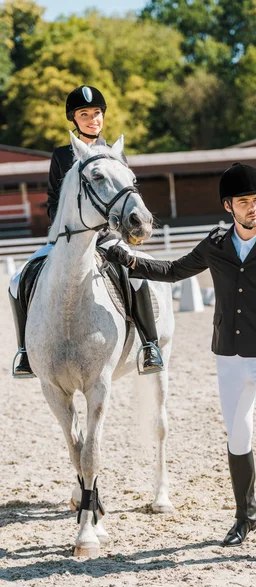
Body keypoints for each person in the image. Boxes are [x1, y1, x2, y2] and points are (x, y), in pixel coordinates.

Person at [105, 162, 256, 564]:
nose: (253, 207)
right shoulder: (217, 244)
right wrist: (128, 259)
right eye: (244, 202)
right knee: (237, 439)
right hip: (229, 358)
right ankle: (246, 517)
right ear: (229, 206)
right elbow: (173, 271)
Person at [9, 85, 163, 378]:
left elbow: (124, 198)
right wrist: (63, 227)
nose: (93, 119)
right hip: (67, 239)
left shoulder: (114, 154)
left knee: (136, 277)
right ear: (74, 119)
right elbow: (53, 200)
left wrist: (112, 229)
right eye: (85, 114)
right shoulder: (62, 155)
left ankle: (149, 344)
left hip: (106, 237)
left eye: (97, 113)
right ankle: (25, 351)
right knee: (18, 280)